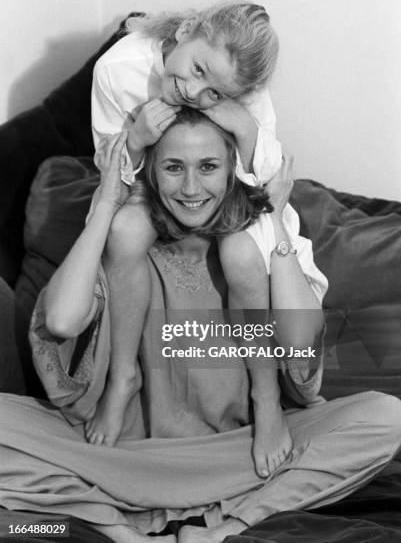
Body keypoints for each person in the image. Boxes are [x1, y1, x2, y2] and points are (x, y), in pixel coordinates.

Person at [0, 110, 400, 543]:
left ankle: (226, 526)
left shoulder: (251, 251)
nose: (191, 188)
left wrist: (278, 220)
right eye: (174, 167)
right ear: (151, 173)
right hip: (121, 456)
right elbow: (59, 322)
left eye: (208, 167)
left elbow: (302, 355)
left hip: (243, 455)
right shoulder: (127, 241)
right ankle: (113, 525)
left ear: (233, 172)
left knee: (386, 418)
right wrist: (106, 206)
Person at [88, 0, 297, 478]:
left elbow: (268, 177)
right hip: (146, 186)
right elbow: (108, 166)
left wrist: (240, 122)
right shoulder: (118, 69)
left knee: (242, 254)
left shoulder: (242, 91)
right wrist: (136, 138)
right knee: (124, 231)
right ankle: (123, 376)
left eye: (214, 93)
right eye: (197, 68)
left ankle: (266, 397)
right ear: (185, 31)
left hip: (229, 192)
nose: (193, 91)